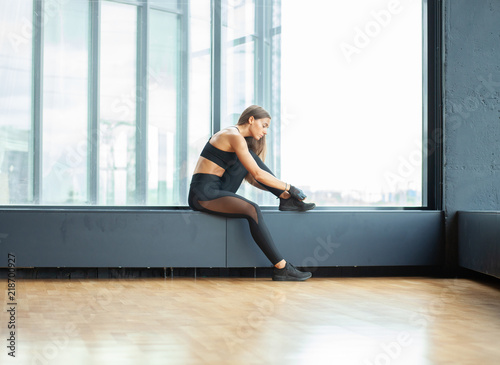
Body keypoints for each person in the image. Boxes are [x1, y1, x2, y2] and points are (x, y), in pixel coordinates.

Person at [188, 105, 315, 281]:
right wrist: (290, 188)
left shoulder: (237, 139)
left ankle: (285, 199)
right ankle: (281, 267)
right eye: (264, 125)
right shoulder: (233, 136)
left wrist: (283, 191)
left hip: (217, 189)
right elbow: (257, 173)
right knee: (252, 209)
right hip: (203, 194)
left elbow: (253, 179)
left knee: (250, 158)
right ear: (251, 120)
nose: (266, 132)